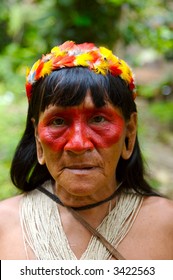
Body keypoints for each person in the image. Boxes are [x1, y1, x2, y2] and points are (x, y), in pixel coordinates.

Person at [0, 41, 173, 260]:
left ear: (129, 132)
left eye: (99, 119)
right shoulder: (4, 225)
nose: (78, 144)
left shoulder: (167, 224)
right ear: (37, 137)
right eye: (58, 121)